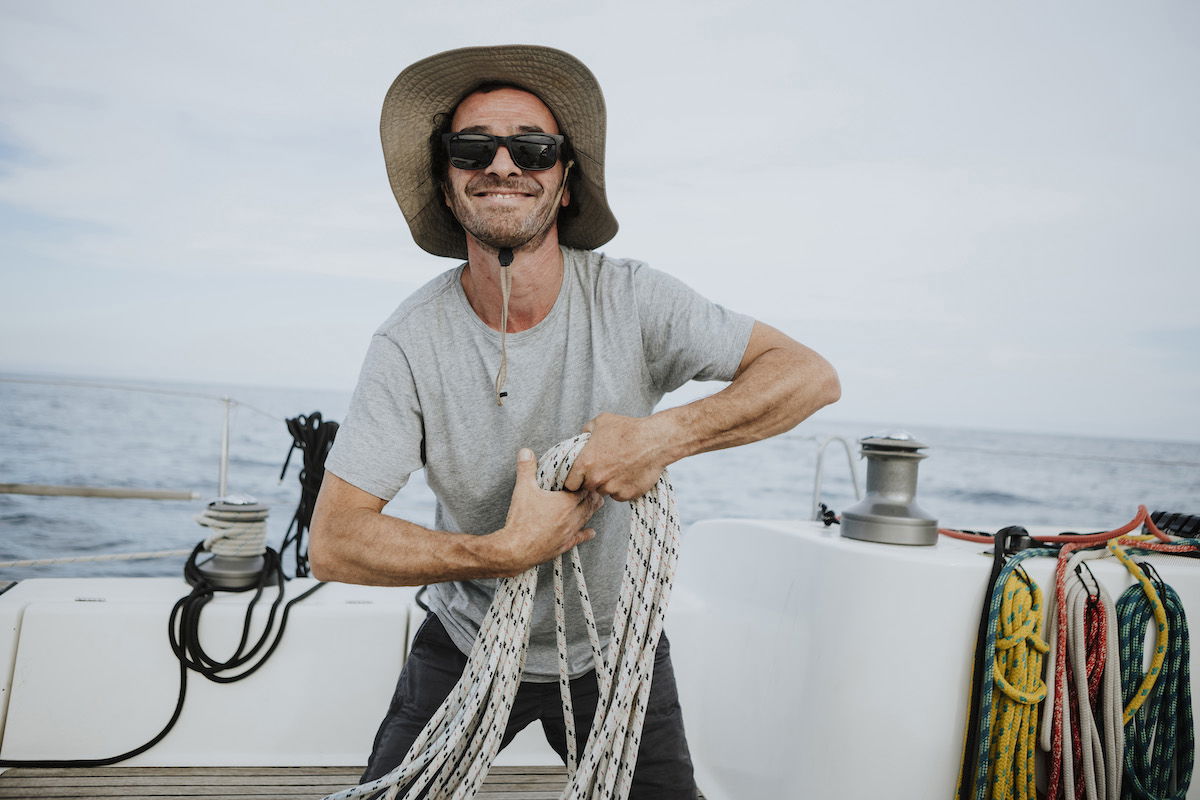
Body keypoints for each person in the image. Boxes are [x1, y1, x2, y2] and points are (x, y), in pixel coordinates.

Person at [309, 44, 840, 798]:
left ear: (563, 183)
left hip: (617, 649)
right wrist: (501, 553)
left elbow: (809, 376)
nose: (502, 164)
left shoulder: (633, 300)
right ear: (447, 181)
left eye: (532, 147)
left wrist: (663, 436)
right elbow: (334, 542)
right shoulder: (409, 342)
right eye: (472, 148)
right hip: (468, 640)